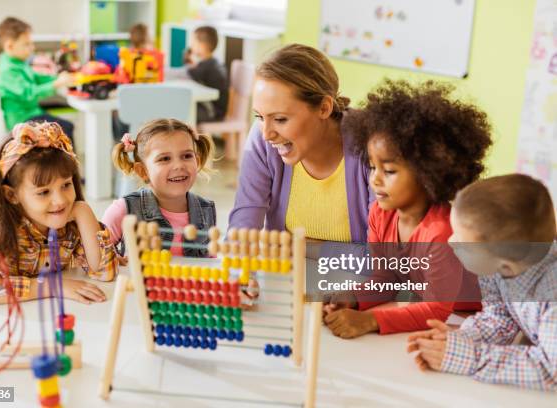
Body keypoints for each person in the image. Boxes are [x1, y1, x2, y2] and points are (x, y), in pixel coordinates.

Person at [324, 79, 492, 337]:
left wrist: (369, 320)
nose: (375, 179)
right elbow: (386, 279)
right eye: (372, 166)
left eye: (389, 170)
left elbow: (436, 309)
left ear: (428, 173)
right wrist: (354, 298)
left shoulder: (441, 232)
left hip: (497, 310)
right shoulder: (381, 215)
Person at [408, 174, 557, 391]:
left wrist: (470, 358)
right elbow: (499, 320)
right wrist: (456, 340)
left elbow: (550, 368)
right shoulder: (496, 267)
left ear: (505, 264)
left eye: (462, 241)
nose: (451, 242)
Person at [229, 43, 372, 243]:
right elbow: (240, 235)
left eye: (280, 119)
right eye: (259, 116)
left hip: (354, 276)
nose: (267, 134)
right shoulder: (262, 140)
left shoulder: (371, 144)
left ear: (324, 108)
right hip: (285, 274)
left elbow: (382, 258)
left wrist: (299, 249)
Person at [0, 122, 117, 304]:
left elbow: (105, 272)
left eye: (66, 185)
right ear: (12, 195)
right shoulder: (0, 231)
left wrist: (83, 211)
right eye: (43, 192)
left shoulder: (72, 224)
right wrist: (52, 286)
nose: (60, 200)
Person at [103, 119, 216, 257]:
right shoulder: (123, 210)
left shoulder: (206, 210)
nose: (178, 165)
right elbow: (97, 257)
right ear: (143, 171)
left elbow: (211, 264)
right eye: (165, 159)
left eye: (186, 156)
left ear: (197, 162)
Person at [0, 17, 75, 143]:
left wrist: (57, 78)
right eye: (27, 44)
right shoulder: (8, 70)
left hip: (33, 114)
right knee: (65, 128)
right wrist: (57, 83)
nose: (32, 47)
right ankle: (63, 162)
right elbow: (29, 93)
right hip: (22, 120)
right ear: (10, 46)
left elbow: (37, 78)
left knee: (65, 126)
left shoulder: (18, 62)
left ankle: (60, 161)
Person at [185, 26, 228, 123]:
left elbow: (188, 73)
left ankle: (192, 136)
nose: (191, 46)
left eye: (193, 43)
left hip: (212, 112)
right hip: (216, 110)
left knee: (184, 111)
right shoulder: (213, 62)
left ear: (202, 46)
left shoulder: (207, 66)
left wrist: (188, 59)